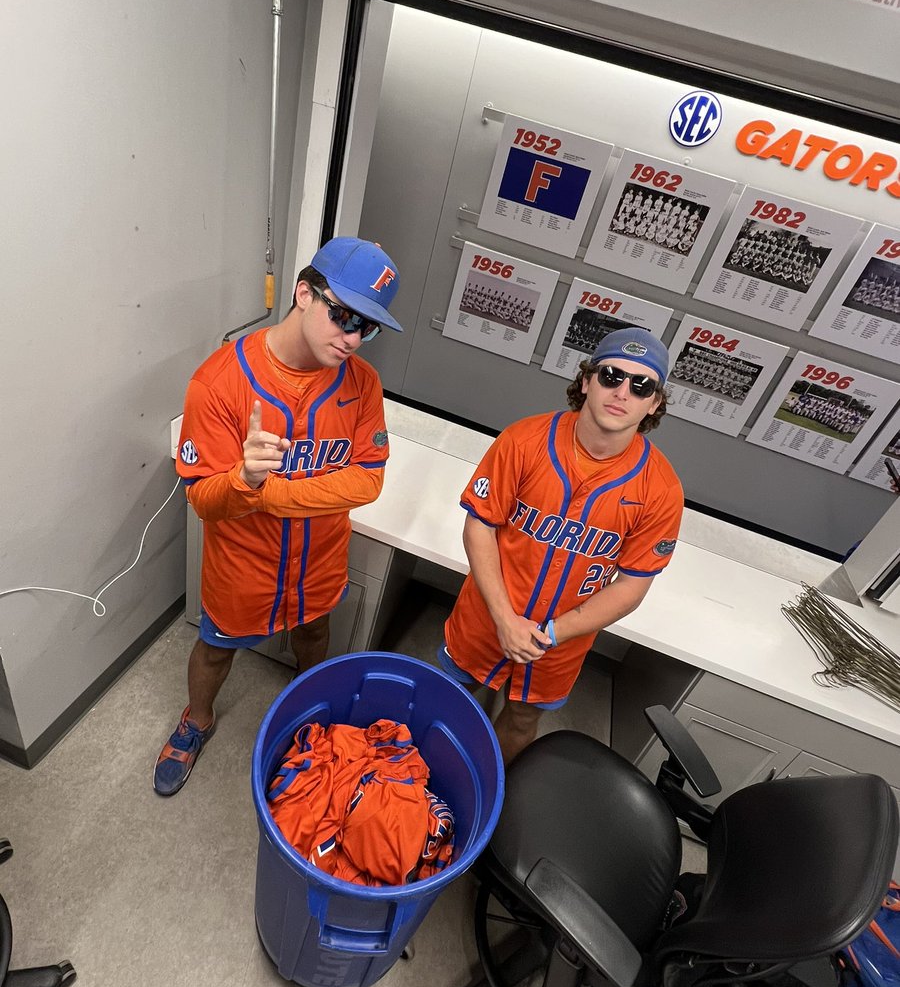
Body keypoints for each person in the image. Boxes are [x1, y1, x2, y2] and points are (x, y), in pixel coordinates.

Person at [154, 237, 402, 796]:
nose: (353, 338)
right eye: (343, 315)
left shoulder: (361, 383)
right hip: (244, 565)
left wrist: (268, 493)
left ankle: (309, 720)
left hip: (319, 558)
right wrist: (242, 480)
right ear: (303, 293)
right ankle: (197, 721)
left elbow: (368, 479)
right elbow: (203, 499)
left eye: (369, 327)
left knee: (316, 633)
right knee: (217, 649)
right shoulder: (219, 382)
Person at [440, 326, 684, 765]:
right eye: (611, 375)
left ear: (655, 402)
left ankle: (476, 787)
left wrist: (550, 634)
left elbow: (631, 585)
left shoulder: (661, 489)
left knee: (520, 721)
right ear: (587, 380)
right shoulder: (524, 440)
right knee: (447, 696)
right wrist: (504, 618)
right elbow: (479, 528)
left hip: (559, 642)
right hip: (484, 615)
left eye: (641, 385)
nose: (622, 391)